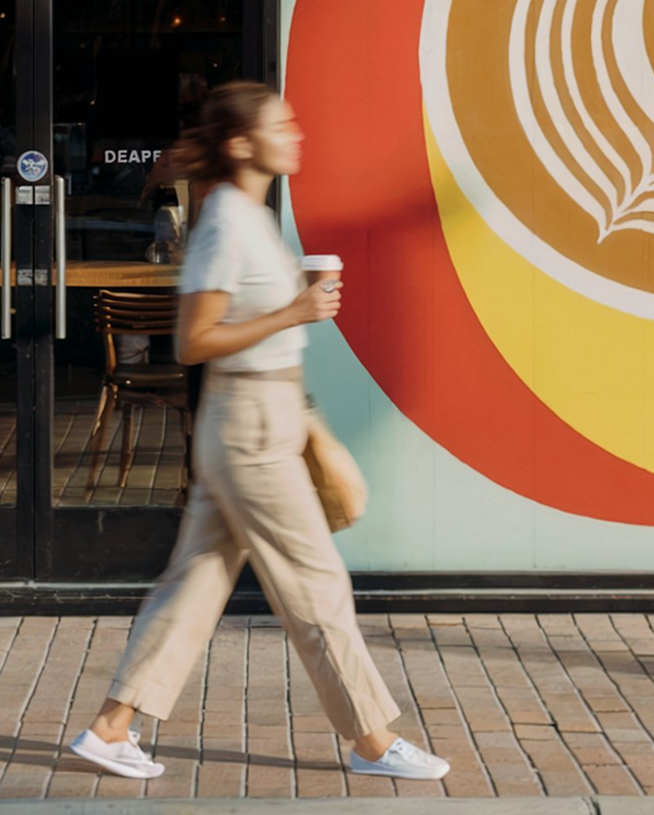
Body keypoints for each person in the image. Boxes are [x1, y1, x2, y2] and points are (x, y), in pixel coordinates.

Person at [66, 82, 449, 783]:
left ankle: (109, 728)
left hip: (261, 418)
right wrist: (295, 310)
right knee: (316, 583)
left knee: (196, 582)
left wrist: (291, 310)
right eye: (284, 124)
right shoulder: (225, 225)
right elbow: (193, 340)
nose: (297, 131)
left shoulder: (247, 214)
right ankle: (372, 741)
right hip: (248, 427)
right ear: (243, 143)